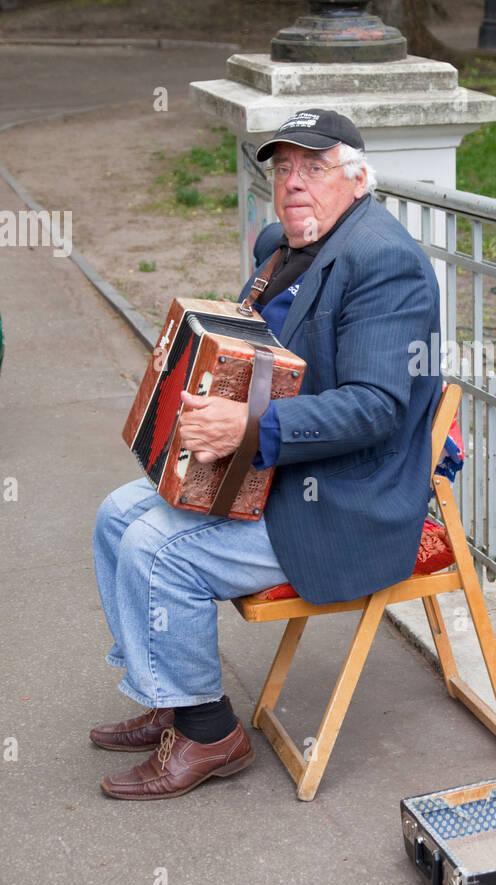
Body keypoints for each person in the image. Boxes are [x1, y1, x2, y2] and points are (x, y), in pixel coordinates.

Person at [91, 109, 442, 801]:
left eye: (313, 168)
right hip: (285, 469)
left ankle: (207, 732)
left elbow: (377, 407)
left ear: (358, 178)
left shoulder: (387, 264)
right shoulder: (282, 243)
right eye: (283, 168)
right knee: (114, 515)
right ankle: (170, 695)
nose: (293, 183)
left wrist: (248, 429)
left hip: (346, 501)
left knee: (158, 550)